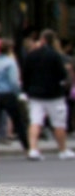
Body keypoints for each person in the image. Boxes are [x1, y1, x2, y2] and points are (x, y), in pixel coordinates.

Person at [19, 29, 75, 161]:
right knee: (58, 123)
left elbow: (25, 75)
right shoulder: (55, 56)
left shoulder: (31, 55)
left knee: (35, 121)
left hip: (35, 94)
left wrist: (27, 90)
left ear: (42, 39)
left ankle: (33, 149)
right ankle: (62, 149)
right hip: (54, 95)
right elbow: (62, 75)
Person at [0, 38, 28, 152]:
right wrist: (18, 93)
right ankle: (27, 146)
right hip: (8, 94)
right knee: (17, 120)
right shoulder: (10, 62)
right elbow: (14, 81)